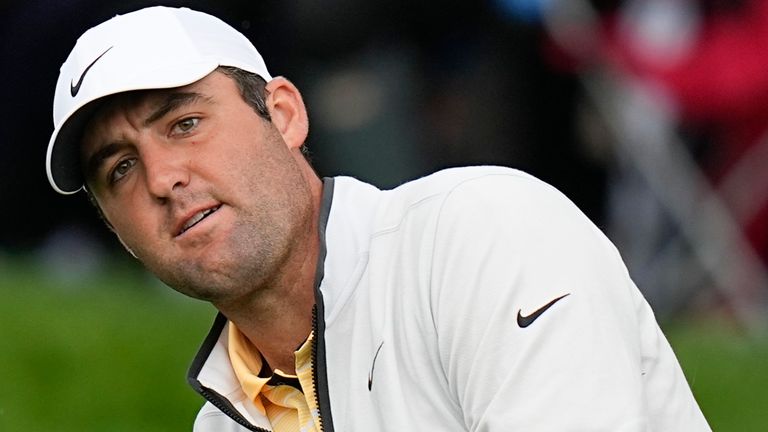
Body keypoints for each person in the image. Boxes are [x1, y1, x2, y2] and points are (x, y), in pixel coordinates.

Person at [46, 6, 711, 431]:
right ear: (116, 230)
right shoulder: (222, 424)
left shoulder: (482, 233)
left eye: (185, 123)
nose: (163, 179)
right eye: (119, 170)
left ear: (283, 115)